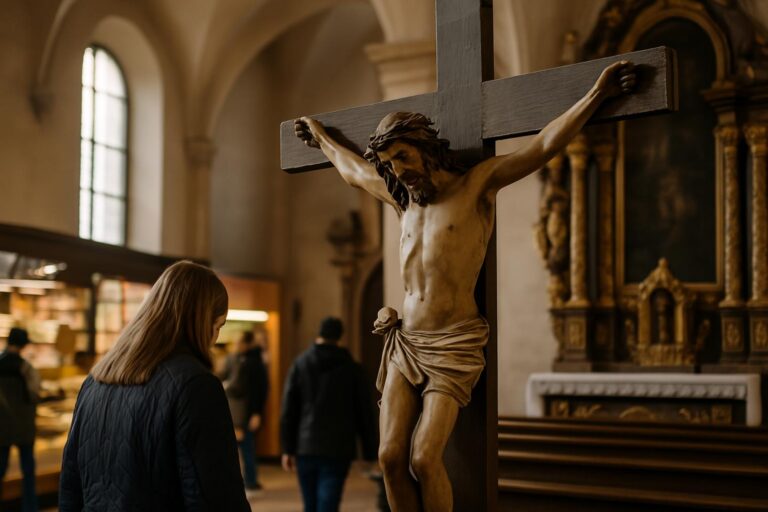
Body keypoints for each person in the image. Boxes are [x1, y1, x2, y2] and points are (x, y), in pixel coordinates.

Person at [294, 61, 636, 511]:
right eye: (390, 162)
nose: (398, 171)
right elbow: (353, 169)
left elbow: (545, 144)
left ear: (424, 148)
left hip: (454, 343)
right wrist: (320, 136)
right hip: (406, 343)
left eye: (404, 157)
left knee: (423, 457)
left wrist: (597, 94)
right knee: (390, 457)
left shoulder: (477, 186)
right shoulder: (403, 203)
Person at [58, 261, 250, 511]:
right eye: (218, 326)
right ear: (202, 322)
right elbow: (215, 497)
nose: (214, 339)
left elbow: (70, 485)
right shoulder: (196, 385)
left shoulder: (96, 380)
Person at [280, 317, 378, 512]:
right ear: (340, 336)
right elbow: (364, 412)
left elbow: (289, 410)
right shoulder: (353, 368)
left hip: (305, 445)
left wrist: (287, 449)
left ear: (319, 333)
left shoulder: (301, 364)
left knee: (310, 504)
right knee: (329, 503)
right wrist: (369, 451)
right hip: (338, 447)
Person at [220, 330, 269, 492]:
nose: (237, 346)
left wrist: (256, 412)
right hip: (238, 410)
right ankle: (247, 480)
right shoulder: (239, 360)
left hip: (242, 411)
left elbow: (257, 389)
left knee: (244, 447)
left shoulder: (250, 362)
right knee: (242, 447)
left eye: (239, 343)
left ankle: (249, 480)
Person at [0, 327, 41, 512]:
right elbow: (34, 393)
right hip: (24, 427)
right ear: (24, 344)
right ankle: (29, 508)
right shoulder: (26, 368)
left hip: (2, 427)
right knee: (28, 473)